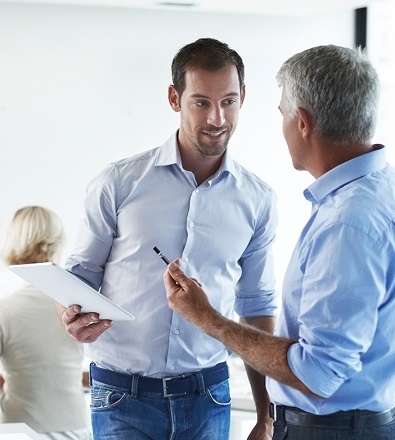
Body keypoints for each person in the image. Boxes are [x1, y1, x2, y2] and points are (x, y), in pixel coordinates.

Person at [163, 44, 395, 440]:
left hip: (331, 433)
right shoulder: (386, 188)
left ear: (302, 122)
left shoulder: (349, 221)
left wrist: (209, 319)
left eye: (283, 112)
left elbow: (318, 373)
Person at [59, 37, 279, 439]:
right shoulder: (119, 182)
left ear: (243, 97)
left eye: (229, 101)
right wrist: (71, 315)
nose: (217, 118)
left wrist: (266, 416)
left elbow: (257, 305)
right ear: (174, 98)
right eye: (201, 102)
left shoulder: (258, 200)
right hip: (122, 397)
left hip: (208, 396)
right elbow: (81, 273)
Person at [0, 206, 90, 440]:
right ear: (58, 243)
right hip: (76, 431)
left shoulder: (1, 311)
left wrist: (0, 381)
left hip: (20, 432)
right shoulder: (79, 306)